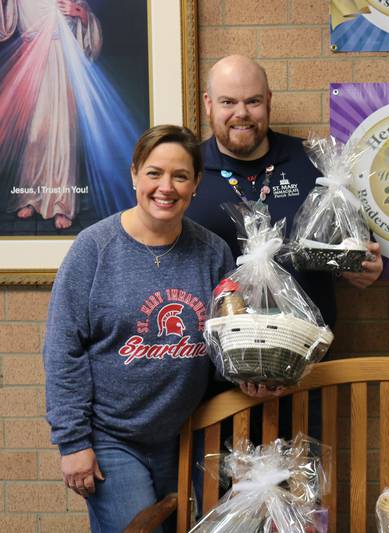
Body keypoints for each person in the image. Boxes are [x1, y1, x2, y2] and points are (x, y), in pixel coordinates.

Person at [43, 125, 235, 533]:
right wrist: (73, 443)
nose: (166, 187)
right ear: (134, 175)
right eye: (154, 173)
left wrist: (253, 373)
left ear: (196, 183)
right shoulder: (94, 249)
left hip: (187, 434)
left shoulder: (213, 252)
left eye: (180, 176)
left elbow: (226, 342)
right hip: (113, 438)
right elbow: (63, 349)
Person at [186, 54, 383, 399]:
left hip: (305, 371)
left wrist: (368, 267)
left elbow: (357, 243)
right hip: (212, 386)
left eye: (253, 101)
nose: (241, 113)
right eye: (228, 102)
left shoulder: (312, 163)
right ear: (208, 104)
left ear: (269, 101)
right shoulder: (187, 171)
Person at [0, 0, 138, 230]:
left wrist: (81, 14)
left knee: (63, 134)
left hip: (63, 65)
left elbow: (89, 35)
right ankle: (31, 198)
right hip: (32, 64)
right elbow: (6, 27)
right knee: (35, 135)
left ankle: (61, 205)